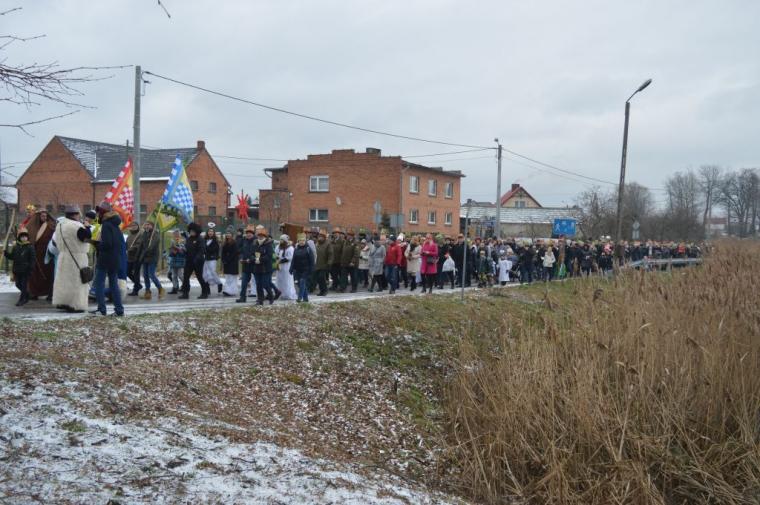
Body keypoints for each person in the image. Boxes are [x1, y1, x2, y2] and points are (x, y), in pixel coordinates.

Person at [52, 205, 92, 312]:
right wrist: (87, 227)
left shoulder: (60, 225)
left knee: (64, 281)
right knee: (77, 281)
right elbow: (86, 237)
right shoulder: (76, 226)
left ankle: (63, 302)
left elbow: (55, 241)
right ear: (75, 214)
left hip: (63, 256)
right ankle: (76, 304)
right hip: (77, 256)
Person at [91, 202, 125, 317]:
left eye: (98, 213)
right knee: (114, 285)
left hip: (105, 259)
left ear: (102, 213)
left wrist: (96, 244)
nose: (97, 215)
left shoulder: (106, 225)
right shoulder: (115, 224)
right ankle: (119, 310)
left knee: (99, 284)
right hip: (115, 259)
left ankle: (101, 309)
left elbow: (107, 244)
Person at [26, 209, 56, 301]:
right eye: (42, 216)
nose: (44, 218)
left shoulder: (50, 226)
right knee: (35, 274)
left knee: (48, 273)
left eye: (46, 216)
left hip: (47, 253)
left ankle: (49, 293)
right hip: (35, 253)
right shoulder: (32, 226)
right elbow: (29, 238)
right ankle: (34, 293)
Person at [4, 228, 35, 306]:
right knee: (18, 284)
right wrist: (5, 253)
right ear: (19, 238)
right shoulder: (16, 247)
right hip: (17, 269)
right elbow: (12, 257)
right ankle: (27, 295)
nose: (24, 238)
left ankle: (22, 300)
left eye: (25, 237)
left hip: (26, 270)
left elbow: (32, 259)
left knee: (24, 285)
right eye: (22, 237)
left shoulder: (30, 247)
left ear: (27, 238)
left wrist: (30, 269)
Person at [179, 222, 209, 299]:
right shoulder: (189, 239)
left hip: (198, 262)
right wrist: (183, 251)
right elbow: (187, 249)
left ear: (196, 231)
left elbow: (202, 250)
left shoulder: (200, 239)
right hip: (189, 261)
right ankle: (185, 293)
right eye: (190, 231)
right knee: (186, 277)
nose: (191, 232)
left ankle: (205, 292)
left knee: (200, 277)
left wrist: (196, 258)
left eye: (193, 231)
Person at [139, 221, 164, 300]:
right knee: (145, 275)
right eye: (145, 224)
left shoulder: (155, 234)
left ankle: (160, 289)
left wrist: (145, 251)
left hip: (152, 258)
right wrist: (139, 256)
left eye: (148, 225)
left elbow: (151, 246)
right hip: (145, 258)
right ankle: (147, 291)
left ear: (152, 226)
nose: (147, 226)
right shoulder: (144, 234)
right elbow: (141, 246)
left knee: (151, 275)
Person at [251, 225, 275, 304]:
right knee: (258, 284)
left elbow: (269, 256)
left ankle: (271, 296)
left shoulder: (268, 244)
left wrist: (260, 259)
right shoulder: (255, 243)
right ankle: (260, 300)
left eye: (262, 236)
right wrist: (254, 259)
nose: (260, 237)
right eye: (259, 235)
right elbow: (251, 254)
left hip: (266, 268)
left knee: (265, 284)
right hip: (257, 267)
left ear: (264, 236)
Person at [290, 233, 314, 302]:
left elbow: (312, 260)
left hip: (306, 269)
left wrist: (311, 269)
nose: (302, 242)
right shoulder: (296, 249)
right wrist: (291, 268)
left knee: (302, 282)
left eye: (303, 240)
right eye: (300, 240)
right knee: (299, 284)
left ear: (305, 241)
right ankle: (306, 299)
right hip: (298, 270)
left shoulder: (308, 249)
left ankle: (299, 298)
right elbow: (293, 260)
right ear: (298, 241)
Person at [203, 225, 224, 294]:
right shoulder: (204, 240)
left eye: (212, 231)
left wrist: (206, 247)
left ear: (213, 233)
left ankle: (219, 283)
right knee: (205, 273)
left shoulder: (215, 241)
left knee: (212, 272)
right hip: (205, 258)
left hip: (212, 258)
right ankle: (207, 288)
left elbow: (213, 250)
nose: (210, 232)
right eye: (209, 231)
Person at [275, 234, 296, 300]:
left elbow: (290, 257)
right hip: (279, 266)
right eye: (280, 239)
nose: (281, 241)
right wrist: (277, 259)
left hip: (287, 266)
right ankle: (280, 293)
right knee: (280, 280)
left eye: (282, 240)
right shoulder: (278, 247)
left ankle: (288, 294)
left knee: (287, 280)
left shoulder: (290, 248)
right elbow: (275, 254)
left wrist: (281, 260)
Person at [125, 221, 143, 296]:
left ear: (138, 226)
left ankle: (135, 290)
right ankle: (138, 285)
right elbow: (126, 244)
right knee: (127, 272)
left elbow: (138, 245)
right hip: (129, 257)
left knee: (136, 273)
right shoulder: (129, 235)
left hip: (137, 257)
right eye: (132, 226)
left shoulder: (140, 234)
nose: (133, 227)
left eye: (135, 225)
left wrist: (131, 249)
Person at [167, 230, 186, 294]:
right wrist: (171, 250)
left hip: (180, 260)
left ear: (179, 235)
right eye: (175, 234)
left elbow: (184, 251)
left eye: (177, 234)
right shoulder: (172, 241)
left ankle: (186, 285)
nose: (176, 235)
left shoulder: (182, 241)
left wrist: (177, 248)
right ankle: (175, 288)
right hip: (173, 259)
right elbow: (170, 252)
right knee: (174, 275)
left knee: (180, 275)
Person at [221, 231, 239, 297]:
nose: (228, 235)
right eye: (227, 234)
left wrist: (228, 259)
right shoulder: (225, 243)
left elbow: (234, 253)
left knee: (232, 277)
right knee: (227, 277)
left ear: (232, 235)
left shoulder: (234, 243)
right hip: (226, 262)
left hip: (232, 262)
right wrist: (223, 260)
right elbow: (223, 253)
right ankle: (227, 290)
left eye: (229, 234)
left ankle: (231, 291)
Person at [314, 229, 330, 296]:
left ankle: (325, 290)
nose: (320, 237)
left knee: (321, 277)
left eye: (321, 236)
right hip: (317, 264)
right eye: (319, 236)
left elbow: (330, 254)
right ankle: (321, 291)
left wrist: (329, 263)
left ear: (324, 237)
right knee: (318, 278)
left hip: (324, 264)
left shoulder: (328, 244)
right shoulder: (317, 244)